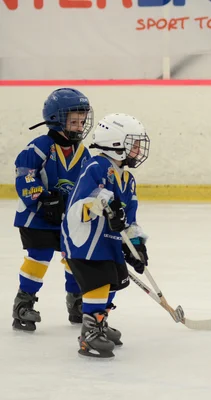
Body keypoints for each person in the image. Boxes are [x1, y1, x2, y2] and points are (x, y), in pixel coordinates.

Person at [61, 113, 150, 359]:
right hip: (85, 241)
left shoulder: (128, 179)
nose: (138, 149)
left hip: (106, 241)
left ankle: (99, 322)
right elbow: (82, 203)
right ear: (115, 143)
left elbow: (129, 218)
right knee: (98, 280)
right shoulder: (96, 166)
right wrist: (104, 207)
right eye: (133, 143)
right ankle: (89, 333)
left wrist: (135, 245)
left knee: (114, 279)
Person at [12, 88, 93, 331]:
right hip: (36, 218)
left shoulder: (83, 152)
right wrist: (42, 200)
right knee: (39, 258)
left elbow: (89, 183)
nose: (80, 126)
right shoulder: (39, 147)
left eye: (82, 121)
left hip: (68, 220)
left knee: (74, 260)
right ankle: (23, 304)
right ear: (57, 119)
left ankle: (76, 302)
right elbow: (25, 176)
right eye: (74, 121)